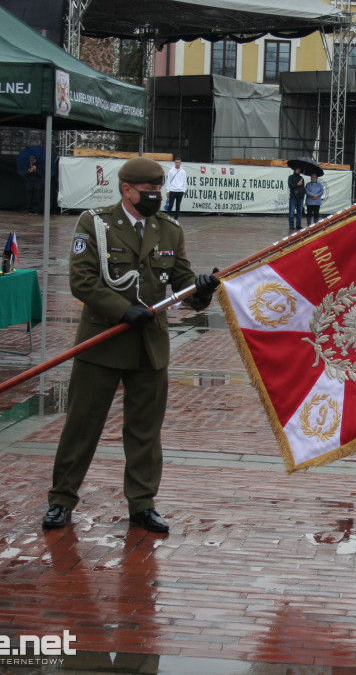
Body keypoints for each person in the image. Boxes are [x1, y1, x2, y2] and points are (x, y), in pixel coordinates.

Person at [42, 157, 221, 534]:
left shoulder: (168, 229)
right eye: (149, 192)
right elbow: (83, 281)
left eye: (158, 191)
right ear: (127, 190)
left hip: (149, 347)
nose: (156, 197)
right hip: (102, 343)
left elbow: (182, 280)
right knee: (82, 425)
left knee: (144, 431)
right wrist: (124, 310)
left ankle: (142, 504)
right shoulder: (96, 224)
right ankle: (61, 498)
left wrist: (202, 291)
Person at [287, 165, 305, 231]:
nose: (298, 170)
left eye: (299, 169)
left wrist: (303, 195)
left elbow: (303, 187)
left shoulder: (302, 178)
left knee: (300, 212)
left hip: (300, 197)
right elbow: (290, 186)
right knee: (291, 212)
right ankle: (291, 225)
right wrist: (297, 184)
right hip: (293, 197)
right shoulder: (291, 177)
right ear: (294, 170)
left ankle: (298, 225)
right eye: (297, 169)